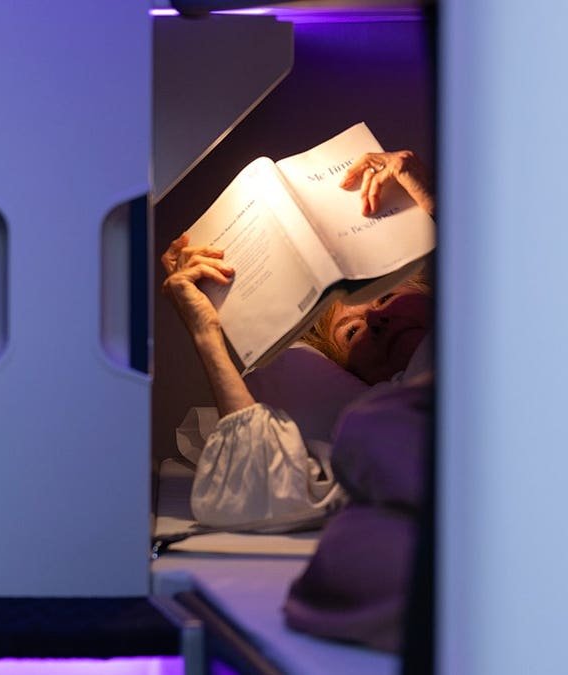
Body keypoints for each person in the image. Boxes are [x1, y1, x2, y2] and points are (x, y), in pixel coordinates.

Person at [161, 148, 435, 652]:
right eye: (353, 334)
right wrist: (205, 332)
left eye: (386, 298)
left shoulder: (492, 335)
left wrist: (430, 206)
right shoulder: (374, 410)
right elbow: (260, 497)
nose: (375, 319)